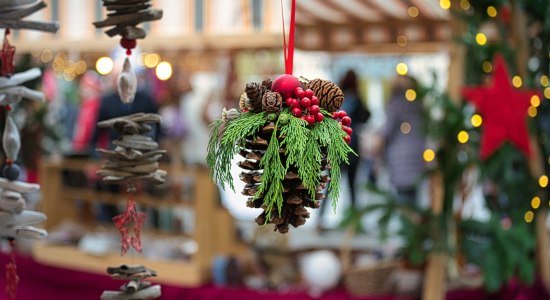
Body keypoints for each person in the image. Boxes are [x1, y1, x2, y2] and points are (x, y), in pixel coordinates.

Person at [317, 70, 370, 230]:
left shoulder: (335, 101)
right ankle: (354, 223)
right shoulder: (357, 100)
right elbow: (367, 116)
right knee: (353, 187)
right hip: (352, 149)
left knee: (331, 186)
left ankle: (320, 221)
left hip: (335, 149)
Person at [379, 75, 425, 205]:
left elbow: (386, 132)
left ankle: (409, 223)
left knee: (404, 203)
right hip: (418, 157)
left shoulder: (395, 105)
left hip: (400, 159)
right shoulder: (420, 105)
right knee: (413, 199)